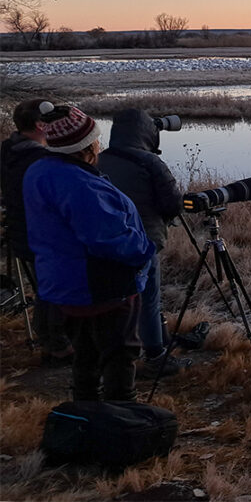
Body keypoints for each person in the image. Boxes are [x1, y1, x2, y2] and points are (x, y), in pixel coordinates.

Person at [23, 105, 155, 401]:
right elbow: (107, 238)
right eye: (96, 138)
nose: (100, 143)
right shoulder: (79, 185)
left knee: (85, 355)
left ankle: (87, 415)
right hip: (100, 288)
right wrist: (145, 250)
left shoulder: (41, 170)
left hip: (65, 283)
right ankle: (120, 419)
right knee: (119, 355)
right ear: (84, 147)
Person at [97, 109, 191, 377]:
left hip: (107, 242)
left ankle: (119, 350)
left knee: (116, 298)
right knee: (149, 298)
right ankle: (155, 356)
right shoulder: (150, 163)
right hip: (143, 241)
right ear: (147, 133)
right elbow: (173, 204)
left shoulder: (99, 159)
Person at [0, 100, 74, 365]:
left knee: (45, 289)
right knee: (53, 290)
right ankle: (57, 346)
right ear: (41, 125)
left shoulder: (9, 149)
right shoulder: (40, 159)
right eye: (51, 121)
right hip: (42, 235)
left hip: (22, 232)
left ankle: (50, 341)